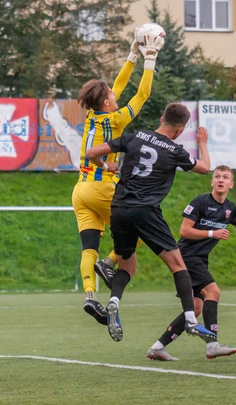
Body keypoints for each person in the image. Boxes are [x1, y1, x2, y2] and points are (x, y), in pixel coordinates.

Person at [85, 104, 217, 345]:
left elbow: (92, 152)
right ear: (179, 130)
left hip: (119, 209)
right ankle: (190, 319)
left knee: (127, 266)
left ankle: (114, 301)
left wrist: (106, 166)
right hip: (146, 211)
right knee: (178, 265)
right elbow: (205, 168)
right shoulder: (175, 150)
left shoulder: (134, 136)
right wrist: (203, 142)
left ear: (161, 117)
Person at [72, 29, 163, 325]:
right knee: (138, 232)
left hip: (81, 191)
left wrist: (132, 55)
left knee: (88, 246)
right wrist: (150, 58)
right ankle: (109, 263)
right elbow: (143, 93)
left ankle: (89, 296)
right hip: (102, 188)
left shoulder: (92, 116)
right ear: (108, 103)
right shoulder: (117, 118)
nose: (114, 93)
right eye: (111, 94)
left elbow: (119, 85)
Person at [146, 165, 236, 361]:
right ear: (212, 181)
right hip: (186, 256)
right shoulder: (200, 202)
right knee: (213, 292)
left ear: (231, 185)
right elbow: (184, 231)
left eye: (225, 177)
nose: (221, 179)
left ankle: (158, 347)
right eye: (217, 176)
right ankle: (212, 345)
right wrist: (211, 233)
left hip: (200, 259)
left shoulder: (229, 209)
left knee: (196, 308)